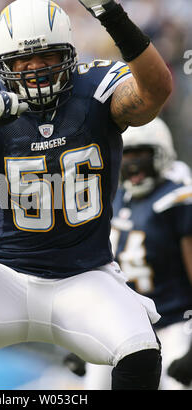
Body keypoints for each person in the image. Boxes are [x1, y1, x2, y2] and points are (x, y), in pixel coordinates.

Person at [0, 0, 173, 390]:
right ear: (3, 64)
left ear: (68, 53)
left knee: (140, 352)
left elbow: (156, 90)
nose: (36, 70)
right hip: (8, 275)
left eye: (47, 55)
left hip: (87, 277)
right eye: (22, 61)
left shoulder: (95, 91)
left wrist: (111, 14)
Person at [65, 118, 192, 390]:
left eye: (141, 154)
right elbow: (104, 274)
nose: (133, 163)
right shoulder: (117, 198)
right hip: (123, 325)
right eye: (127, 154)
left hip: (174, 324)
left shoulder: (179, 200)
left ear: (161, 152)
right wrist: (82, 340)